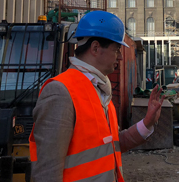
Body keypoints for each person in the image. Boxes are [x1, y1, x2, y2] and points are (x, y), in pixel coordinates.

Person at [29, 11, 164, 182]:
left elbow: (110, 145)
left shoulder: (98, 90)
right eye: (116, 50)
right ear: (95, 48)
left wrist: (147, 123)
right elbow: (47, 173)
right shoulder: (60, 92)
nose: (121, 57)